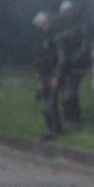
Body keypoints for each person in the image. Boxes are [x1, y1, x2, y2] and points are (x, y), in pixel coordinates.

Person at [33, 10, 64, 140]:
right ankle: (51, 128)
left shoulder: (54, 37)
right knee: (46, 105)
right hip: (44, 74)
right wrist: (39, 77)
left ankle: (55, 130)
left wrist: (56, 76)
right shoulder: (40, 39)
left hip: (53, 73)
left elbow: (60, 58)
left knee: (51, 105)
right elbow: (38, 59)